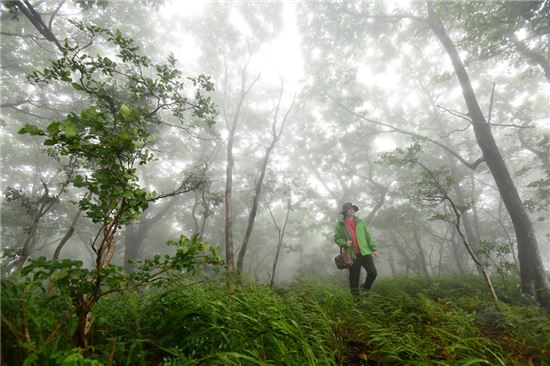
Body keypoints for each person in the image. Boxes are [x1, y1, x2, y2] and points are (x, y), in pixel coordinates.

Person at [334, 202, 378, 296]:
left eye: (353, 208)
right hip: (352, 255)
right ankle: (356, 301)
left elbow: (368, 236)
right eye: (349, 208)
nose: (352, 210)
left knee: (373, 273)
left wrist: (373, 248)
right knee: (354, 279)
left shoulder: (360, 222)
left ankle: (365, 288)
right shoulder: (340, 225)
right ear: (345, 212)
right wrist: (344, 243)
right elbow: (337, 238)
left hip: (365, 252)